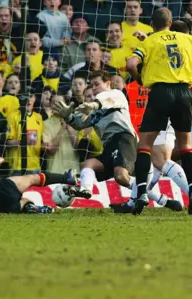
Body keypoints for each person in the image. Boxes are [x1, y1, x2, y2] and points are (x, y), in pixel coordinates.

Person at [126, 8, 192, 215]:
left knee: (145, 146)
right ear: (170, 22)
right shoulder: (186, 39)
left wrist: (139, 78)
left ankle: (141, 193)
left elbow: (131, 63)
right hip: (183, 93)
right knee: (185, 146)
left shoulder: (150, 41)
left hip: (160, 92)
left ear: (152, 24)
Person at [52, 70, 182, 211]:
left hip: (124, 138)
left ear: (108, 83)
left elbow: (105, 100)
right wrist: (68, 117)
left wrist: (94, 104)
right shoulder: (95, 110)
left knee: (120, 176)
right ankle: (86, 189)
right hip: (109, 146)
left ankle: (150, 196)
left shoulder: (117, 94)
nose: (94, 89)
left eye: (97, 84)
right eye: (90, 88)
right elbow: (79, 124)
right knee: (87, 164)